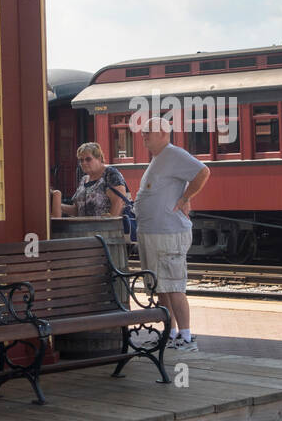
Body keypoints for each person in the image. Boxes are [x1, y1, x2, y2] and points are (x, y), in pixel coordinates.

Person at [134, 117, 210, 351]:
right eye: (143, 132)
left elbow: (203, 171)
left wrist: (186, 198)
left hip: (168, 233)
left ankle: (186, 338)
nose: (144, 135)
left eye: (149, 131)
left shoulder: (173, 154)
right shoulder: (159, 158)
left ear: (164, 134)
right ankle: (171, 333)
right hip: (153, 233)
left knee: (174, 285)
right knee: (161, 287)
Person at [51, 142, 127, 218]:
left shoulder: (110, 174)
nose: (84, 163)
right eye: (81, 160)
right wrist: (53, 204)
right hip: (86, 228)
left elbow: (119, 202)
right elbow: (77, 210)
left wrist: (109, 225)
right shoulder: (84, 180)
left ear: (99, 159)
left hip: (106, 228)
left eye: (88, 159)